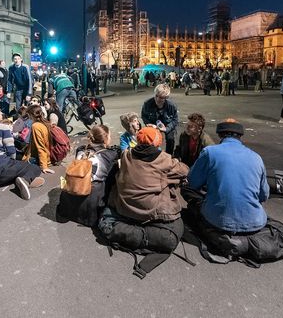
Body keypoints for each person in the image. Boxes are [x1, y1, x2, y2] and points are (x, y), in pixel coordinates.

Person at [98, 127, 189, 260]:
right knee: (177, 228)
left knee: (106, 217)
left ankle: (122, 231)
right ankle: (145, 235)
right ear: (158, 142)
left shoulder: (126, 155)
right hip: (149, 212)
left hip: (123, 209)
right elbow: (184, 170)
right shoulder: (164, 160)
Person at [184, 119, 270, 252]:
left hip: (218, 221)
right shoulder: (256, 157)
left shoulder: (210, 152)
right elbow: (264, 195)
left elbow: (193, 183)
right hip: (255, 222)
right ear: (240, 136)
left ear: (220, 135)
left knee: (189, 193)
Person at [58, 125, 119, 226]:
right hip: (91, 205)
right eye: (109, 136)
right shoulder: (109, 155)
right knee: (112, 176)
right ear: (105, 138)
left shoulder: (80, 150)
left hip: (69, 197)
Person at [141, 84, 178, 154]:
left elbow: (175, 120)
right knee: (149, 138)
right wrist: (150, 125)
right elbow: (144, 116)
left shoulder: (171, 106)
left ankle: (168, 156)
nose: (157, 99)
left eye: (161, 97)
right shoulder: (147, 103)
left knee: (170, 139)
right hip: (153, 124)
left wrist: (166, 129)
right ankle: (151, 154)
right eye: (156, 96)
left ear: (166, 98)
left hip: (167, 125)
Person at [22, 104, 56, 174]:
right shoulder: (46, 123)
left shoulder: (36, 126)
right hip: (48, 155)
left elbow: (41, 147)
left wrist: (44, 167)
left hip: (40, 159)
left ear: (30, 115)